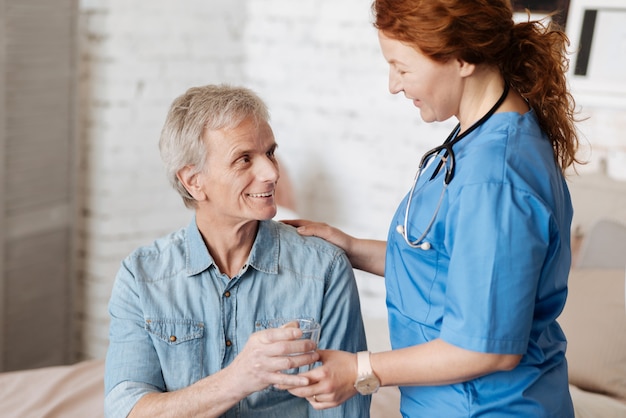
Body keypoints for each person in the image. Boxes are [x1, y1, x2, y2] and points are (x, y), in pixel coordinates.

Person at [284, 0, 581, 416]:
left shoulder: (494, 181)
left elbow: (485, 349)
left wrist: (359, 369)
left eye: (402, 68)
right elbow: (451, 271)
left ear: (462, 58)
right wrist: (349, 247)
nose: (393, 84)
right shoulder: (477, 136)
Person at [104, 84, 370, 418]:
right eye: (244, 159)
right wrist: (239, 378)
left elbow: (343, 412)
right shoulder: (141, 277)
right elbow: (124, 410)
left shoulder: (324, 269)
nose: (272, 173)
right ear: (193, 181)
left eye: (270, 153)